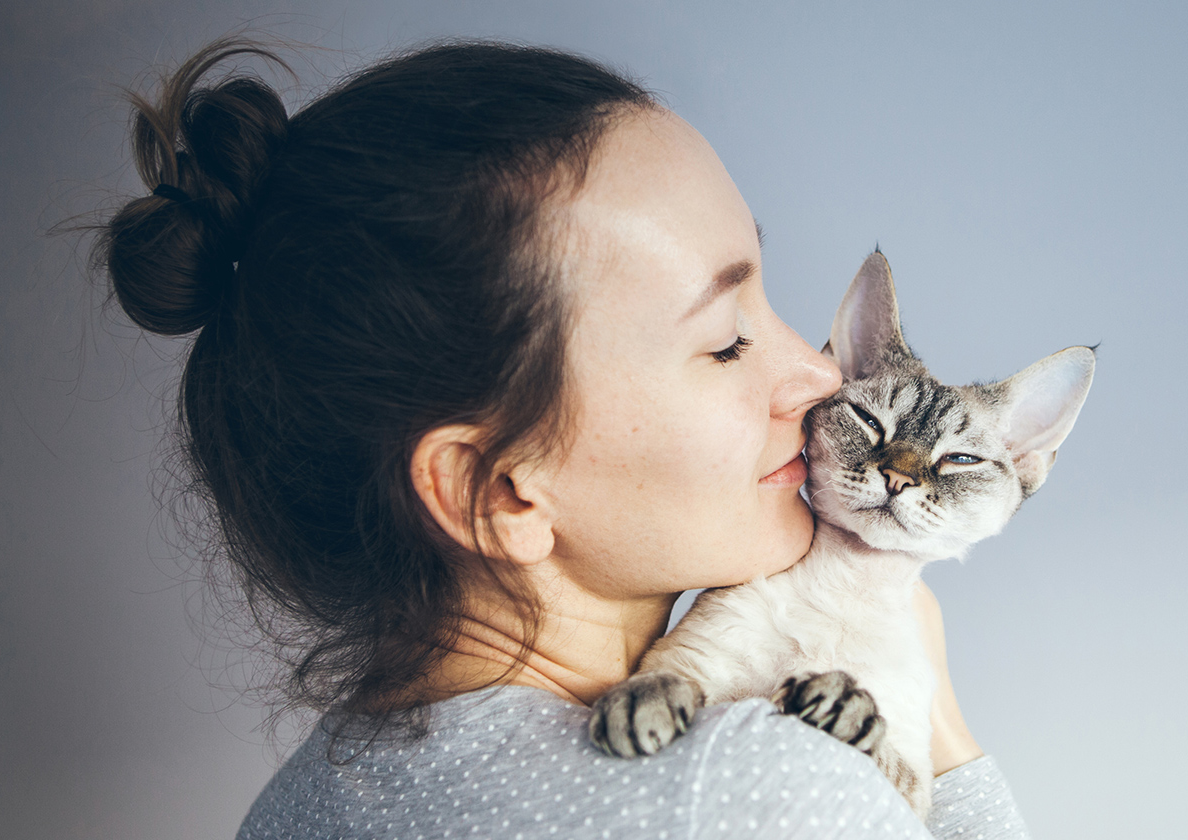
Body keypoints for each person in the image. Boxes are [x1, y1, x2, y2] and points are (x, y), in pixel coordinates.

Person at [96, 36, 1031, 839]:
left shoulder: (296, 806)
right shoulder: (753, 793)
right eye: (726, 340)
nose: (823, 377)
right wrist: (936, 725)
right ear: (499, 491)